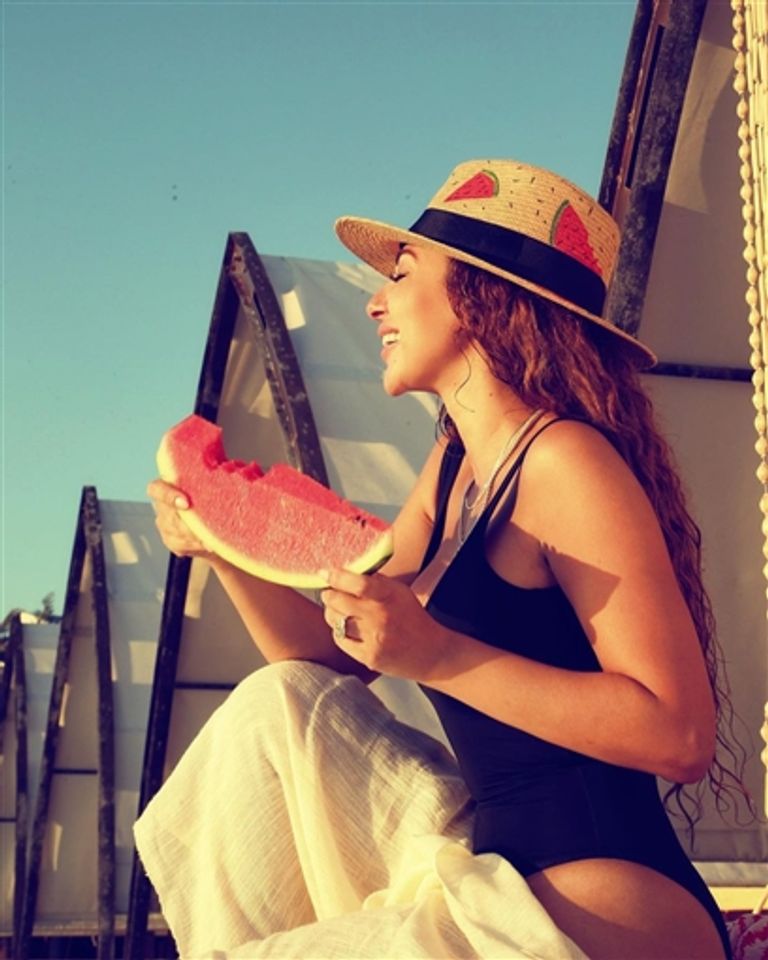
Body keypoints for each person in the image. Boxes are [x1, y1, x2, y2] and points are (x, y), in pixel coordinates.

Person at [138, 159, 743, 959]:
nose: (375, 302)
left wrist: (441, 655)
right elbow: (329, 657)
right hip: (491, 868)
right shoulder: (453, 465)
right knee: (276, 701)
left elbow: (678, 733)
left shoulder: (564, 461)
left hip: (614, 897)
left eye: (402, 273)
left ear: (477, 295)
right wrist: (219, 543)